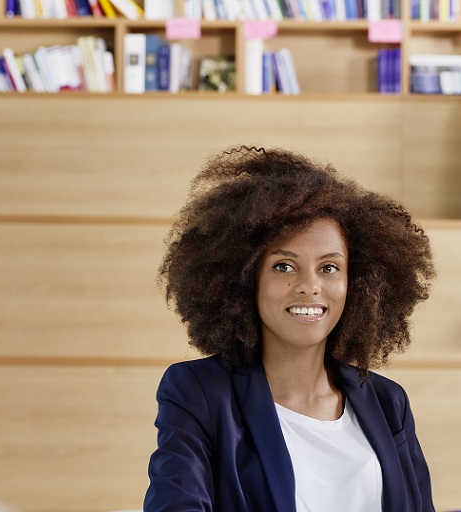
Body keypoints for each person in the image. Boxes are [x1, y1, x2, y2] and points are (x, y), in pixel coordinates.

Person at [144, 146, 436, 511]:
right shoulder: (199, 394)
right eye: (284, 266)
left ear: (357, 283)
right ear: (245, 278)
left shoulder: (388, 403)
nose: (309, 285)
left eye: (329, 267)